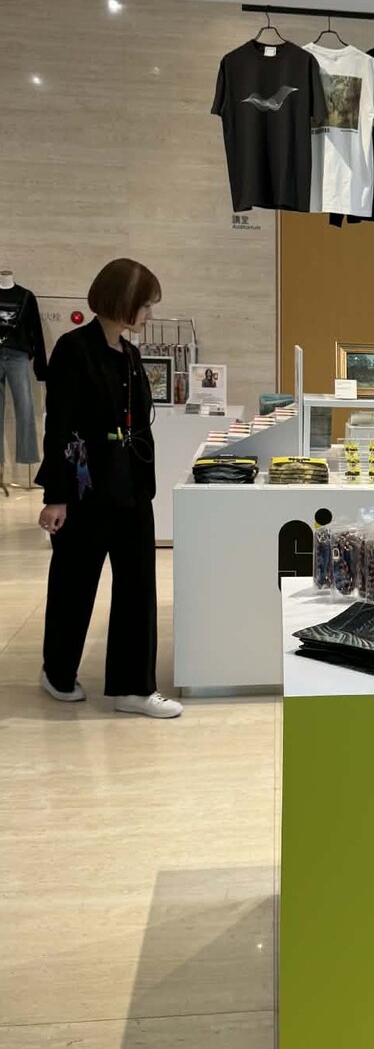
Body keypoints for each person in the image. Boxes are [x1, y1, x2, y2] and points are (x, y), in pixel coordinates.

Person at [35, 259, 183, 718]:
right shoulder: (73, 350)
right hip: (85, 491)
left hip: (132, 491)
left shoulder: (131, 355)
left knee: (138, 587)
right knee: (74, 584)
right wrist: (55, 496)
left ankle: (134, 688)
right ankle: (58, 672)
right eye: (146, 305)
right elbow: (59, 426)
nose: (150, 314)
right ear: (123, 302)